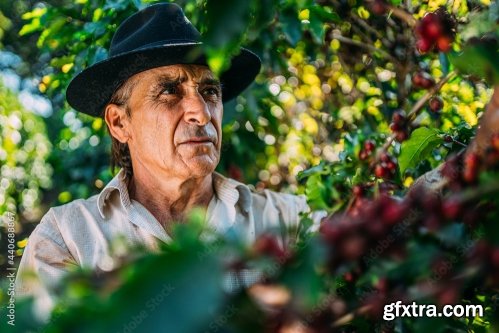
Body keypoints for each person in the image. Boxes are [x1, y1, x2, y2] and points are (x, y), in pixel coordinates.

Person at [15, 3, 315, 315]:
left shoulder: (287, 221)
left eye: (210, 91)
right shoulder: (67, 238)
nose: (201, 113)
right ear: (119, 123)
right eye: (169, 91)